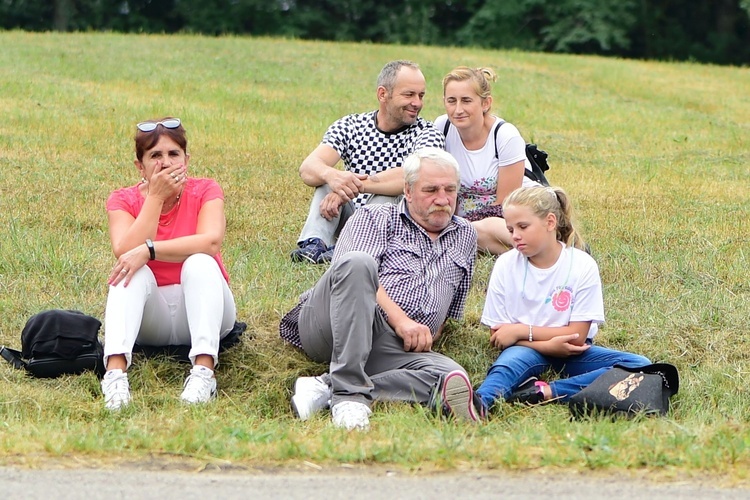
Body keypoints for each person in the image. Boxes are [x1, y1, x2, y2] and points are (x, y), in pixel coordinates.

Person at [280, 148, 484, 431]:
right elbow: (348, 274)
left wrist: (425, 334)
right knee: (358, 262)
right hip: (332, 324)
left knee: (450, 375)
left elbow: (450, 312)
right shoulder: (375, 217)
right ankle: (349, 398)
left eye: (450, 189)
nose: (442, 199)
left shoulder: (466, 235)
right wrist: (401, 321)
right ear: (408, 191)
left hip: (393, 346)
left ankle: (327, 387)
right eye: (431, 190)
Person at [100, 117, 237, 410]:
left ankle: (203, 372)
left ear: (186, 159)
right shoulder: (122, 200)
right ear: (140, 166)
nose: (165, 163)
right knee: (130, 270)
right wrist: (155, 198)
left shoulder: (206, 190)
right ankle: (114, 375)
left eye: (173, 154)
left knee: (200, 261)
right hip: (153, 318)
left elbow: (210, 241)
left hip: (205, 311)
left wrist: (151, 250)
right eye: (155, 156)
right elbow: (124, 250)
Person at [474, 185, 650, 410]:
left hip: (572, 352)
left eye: (523, 226)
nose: (515, 236)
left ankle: (544, 392)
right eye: (510, 229)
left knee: (639, 365)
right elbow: (499, 335)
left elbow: (576, 337)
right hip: (522, 351)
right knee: (506, 367)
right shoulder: (505, 264)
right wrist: (545, 346)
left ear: (550, 222)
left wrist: (520, 331)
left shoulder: (581, 264)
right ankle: (478, 404)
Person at [291, 60, 445, 264]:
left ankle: (351, 248)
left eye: (421, 95)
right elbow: (308, 168)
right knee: (326, 179)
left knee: (387, 197)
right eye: (409, 95)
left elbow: (413, 177)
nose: (417, 103)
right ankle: (313, 244)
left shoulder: (428, 134)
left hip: (395, 225)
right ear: (383, 94)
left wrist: (351, 186)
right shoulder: (351, 125)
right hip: (352, 214)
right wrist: (334, 177)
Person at [434, 66, 541, 255]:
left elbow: (506, 206)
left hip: (510, 215)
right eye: (452, 101)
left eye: (466, 101)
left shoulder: (505, 135)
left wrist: (459, 226)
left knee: (481, 231)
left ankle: (549, 246)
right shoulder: (441, 127)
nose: (458, 109)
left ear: (485, 103)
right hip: (464, 222)